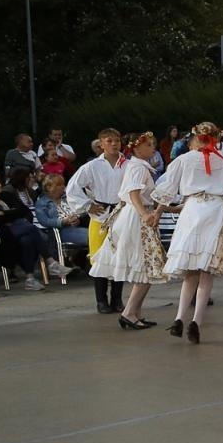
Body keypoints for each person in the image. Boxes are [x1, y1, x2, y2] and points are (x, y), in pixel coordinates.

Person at [153, 121, 223, 342]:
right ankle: (196, 321)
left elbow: (166, 190)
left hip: (193, 209)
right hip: (215, 210)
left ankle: (179, 318)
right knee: (206, 271)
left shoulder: (183, 160)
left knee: (190, 271)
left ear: (195, 137)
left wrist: (157, 212)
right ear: (216, 138)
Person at [86, 132, 169, 328]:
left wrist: (166, 208)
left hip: (133, 215)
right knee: (147, 266)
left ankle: (135, 312)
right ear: (137, 148)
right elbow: (133, 194)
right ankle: (129, 313)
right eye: (148, 145)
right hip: (135, 218)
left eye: (153, 144)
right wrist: (145, 215)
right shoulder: (138, 167)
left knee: (145, 266)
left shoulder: (136, 166)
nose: (153, 148)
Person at [64, 129, 127, 315]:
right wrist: (87, 205)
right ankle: (101, 300)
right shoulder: (92, 166)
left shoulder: (128, 165)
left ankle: (117, 299)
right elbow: (73, 187)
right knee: (99, 258)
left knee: (120, 257)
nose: (115, 144)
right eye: (110, 141)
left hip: (121, 214)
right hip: (100, 216)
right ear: (101, 144)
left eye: (117, 140)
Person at [0, 170, 50, 290]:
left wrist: (5, 213)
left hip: (16, 229)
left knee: (27, 240)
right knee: (31, 229)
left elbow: (24, 210)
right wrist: (11, 215)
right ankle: (50, 260)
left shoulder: (6, 195)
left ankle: (30, 278)